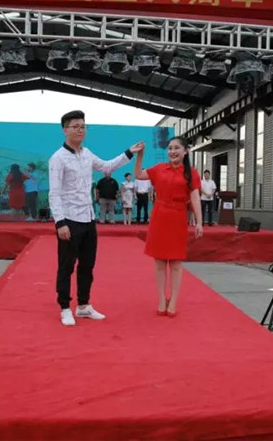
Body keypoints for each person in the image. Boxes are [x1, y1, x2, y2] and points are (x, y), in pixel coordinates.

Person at [48, 110, 144, 326]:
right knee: (66, 266)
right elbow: (54, 193)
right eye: (75, 126)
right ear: (65, 130)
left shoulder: (87, 154)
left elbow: (107, 166)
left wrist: (129, 152)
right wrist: (60, 222)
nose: (80, 130)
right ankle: (65, 307)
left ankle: (83, 305)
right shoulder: (58, 158)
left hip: (88, 218)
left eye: (83, 126)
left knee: (87, 265)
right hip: (69, 220)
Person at [134, 136, 203, 317]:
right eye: (170, 148)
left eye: (177, 148)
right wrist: (140, 155)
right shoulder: (159, 169)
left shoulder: (191, 173)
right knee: (159, 261)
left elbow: (195, 197)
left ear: (185, 151)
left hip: (178, 217)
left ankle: (173, 300)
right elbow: (138, 174)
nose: (172, 151)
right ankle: (161, 298)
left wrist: (199, 222)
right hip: (159, 217)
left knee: (175, 262)